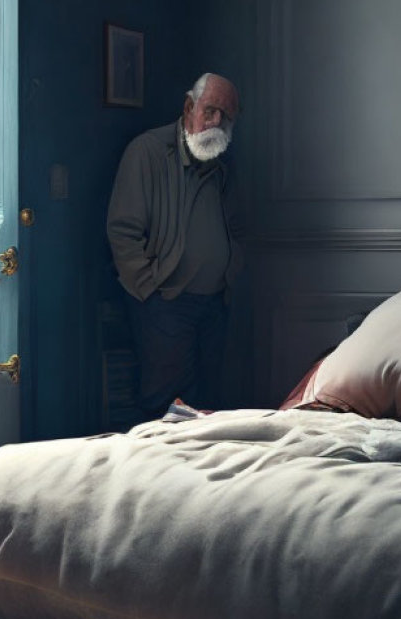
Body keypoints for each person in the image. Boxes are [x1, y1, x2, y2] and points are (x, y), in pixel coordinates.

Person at [106, 72, 244, 420]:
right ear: (188, 107)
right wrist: (150, 291)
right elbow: (122, 231)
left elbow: (236, 228)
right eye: (210, 111)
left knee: (209, 408)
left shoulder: (223, 164)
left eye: (226, 117)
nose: (217, 123)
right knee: (164, 407)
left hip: (215, 303)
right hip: (165, 303)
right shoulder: (147, 152)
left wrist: (232, 270)